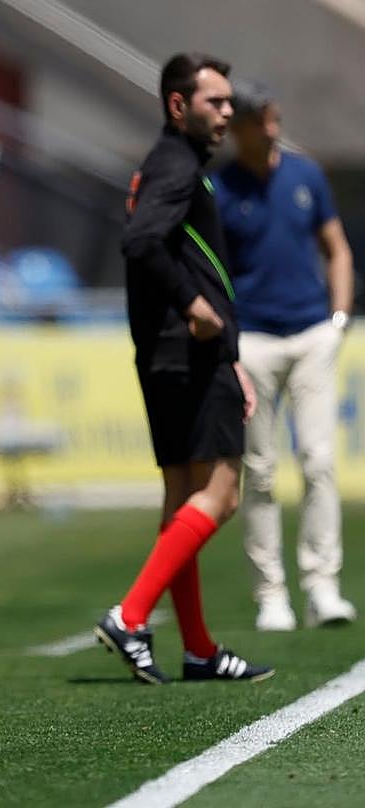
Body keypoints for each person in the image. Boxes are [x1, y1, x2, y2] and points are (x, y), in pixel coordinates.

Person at [94, 53, 273, 684]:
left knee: (181, 500)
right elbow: (142, 240)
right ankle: (131, 614)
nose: (228, 112)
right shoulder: (175, 164)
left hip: (168, 354)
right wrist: (197, 309)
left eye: (229, 103)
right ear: (179, 106)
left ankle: (198, 649)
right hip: (188, 354)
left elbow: (155, 244)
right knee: (220, 496)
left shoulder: (168, 164)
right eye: (214, 102)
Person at [214, 81, 357, 631]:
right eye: (261, 122)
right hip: (252, 341)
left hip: (312, 334)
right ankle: (271, 593)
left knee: (319, 463)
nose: (271, 130)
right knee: (262, 471)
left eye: (274, 119)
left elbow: (336, 247)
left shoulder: (305, 174)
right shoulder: (219, 188)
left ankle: (323, 587)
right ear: (238, 128)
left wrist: (338, 319)